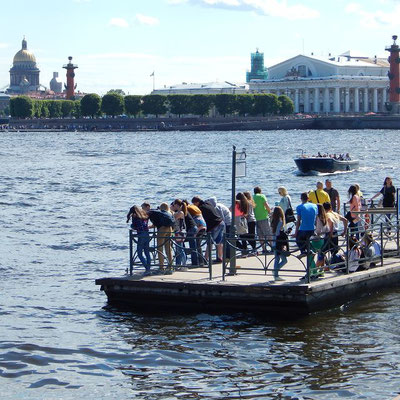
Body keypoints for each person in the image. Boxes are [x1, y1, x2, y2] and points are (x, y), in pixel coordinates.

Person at [191, 196, 225, 262]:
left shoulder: (201, 208)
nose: (194, 205)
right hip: (221, 222)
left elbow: (202, 219)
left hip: (214, 225)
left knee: (210, 242)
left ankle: (206, 259)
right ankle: (220, 257)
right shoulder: (208, 203)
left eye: (194, 203)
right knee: (219, 242)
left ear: (197, 202)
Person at [148, 203, 174, 270]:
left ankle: (161, 267)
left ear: (160, 208)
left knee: (160, 248)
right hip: (170, 228)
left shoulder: (160, 213)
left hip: (162, 230)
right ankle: (170, 266)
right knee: (168, 248)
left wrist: (149, 227)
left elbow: (157, 224)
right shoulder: (169, 213)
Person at [126, 205, 152, 273]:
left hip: (141, 235)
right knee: (147, 252)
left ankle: (147, 268)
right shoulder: (143, 215)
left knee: (139, 253)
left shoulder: (135, 216)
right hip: (147, 234)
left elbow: (134, 226)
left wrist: (132, 226)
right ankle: (149, 267)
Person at [294, 192, 317, 257]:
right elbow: (316, 218)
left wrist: (296, 232)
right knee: (306, 240)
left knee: (298, 239)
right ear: (308, 198)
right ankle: (309, 250)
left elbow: (298, 221)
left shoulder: (299, 207)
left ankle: (303, 251)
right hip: (312, 229)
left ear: (301, 199)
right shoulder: (314, 206)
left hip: (304, 229)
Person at [270, 206, 288, 282]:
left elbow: (273, 232)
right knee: (284, 260)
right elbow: (278, 233)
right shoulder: (280, 221)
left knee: (277, 258)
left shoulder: (273, 221)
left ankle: (275, 273)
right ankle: (275, 272)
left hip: (274, 242)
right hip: (278, 242)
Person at [253, 186, 272, 253]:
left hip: (256, 217)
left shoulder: (252, 197)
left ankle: (264, 249)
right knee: (268, 233)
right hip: (264, 217)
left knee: (260, 235)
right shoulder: (262, 196)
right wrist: (270, 212)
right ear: (260, 191)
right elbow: (266, 205)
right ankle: (272, 247)